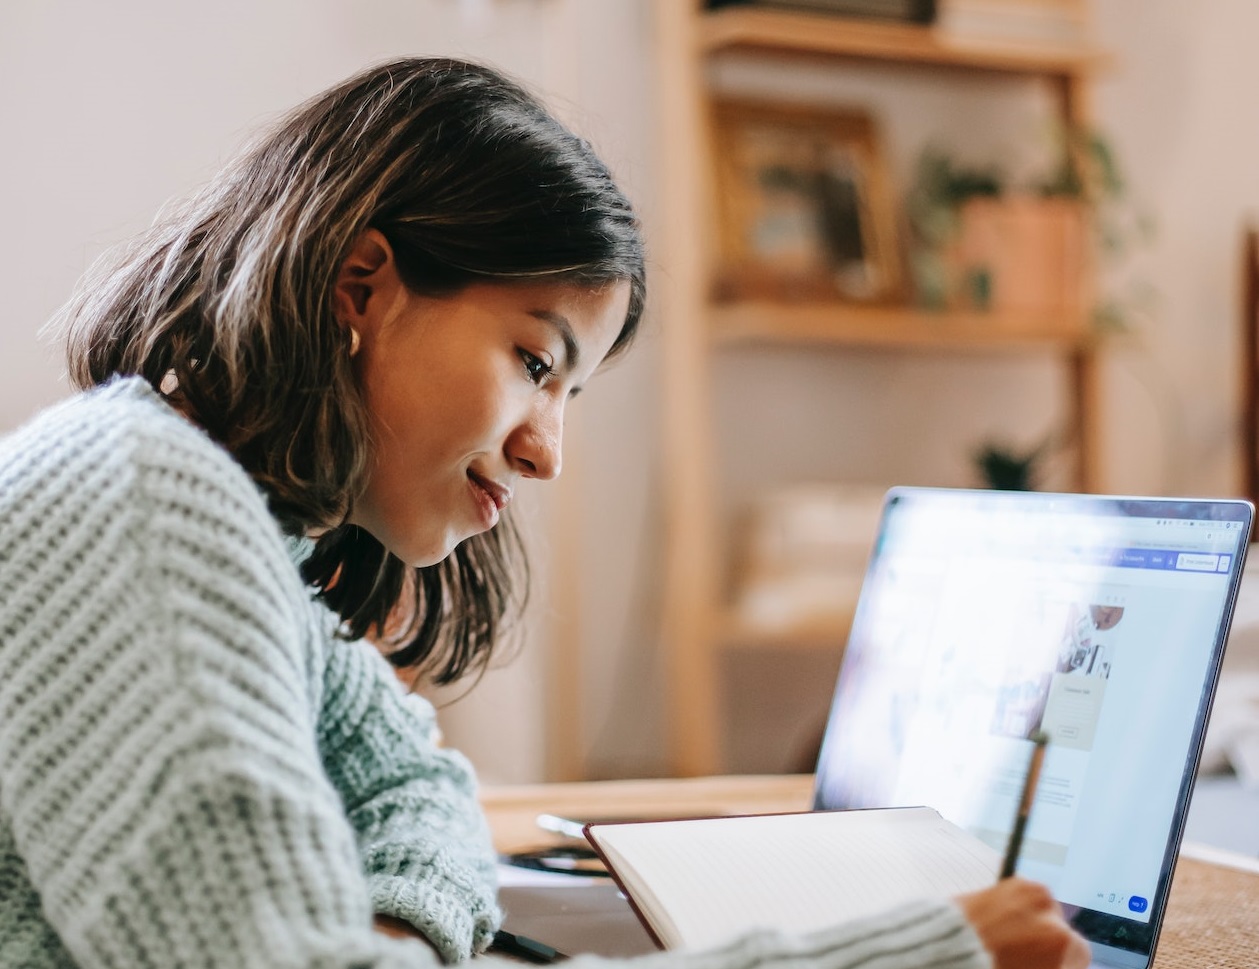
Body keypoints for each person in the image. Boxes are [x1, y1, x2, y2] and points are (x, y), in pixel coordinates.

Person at [0, 57, 1090, 969]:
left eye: (570, 393)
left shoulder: (233, 531)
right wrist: (908, 955)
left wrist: (395, 936)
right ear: (360, 286)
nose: (545, 452)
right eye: (534, 362)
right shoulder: (139, 505)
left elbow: (416, 786)